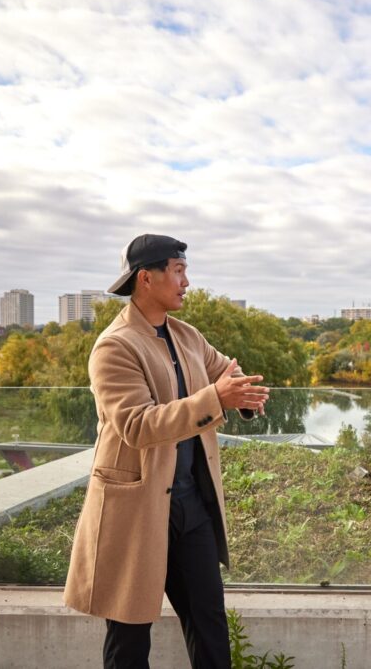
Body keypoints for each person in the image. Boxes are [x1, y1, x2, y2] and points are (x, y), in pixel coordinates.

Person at [64, 233, 270, 669]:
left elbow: (226, 372)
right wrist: (217, 397)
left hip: (191, 504)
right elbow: (138, 426)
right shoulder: (114, 347)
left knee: (210, 626)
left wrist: (245, 394)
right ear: (146, 278)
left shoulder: (186, 335)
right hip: (136, 508)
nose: (187, 282)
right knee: (130, 637)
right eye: (178, 271)